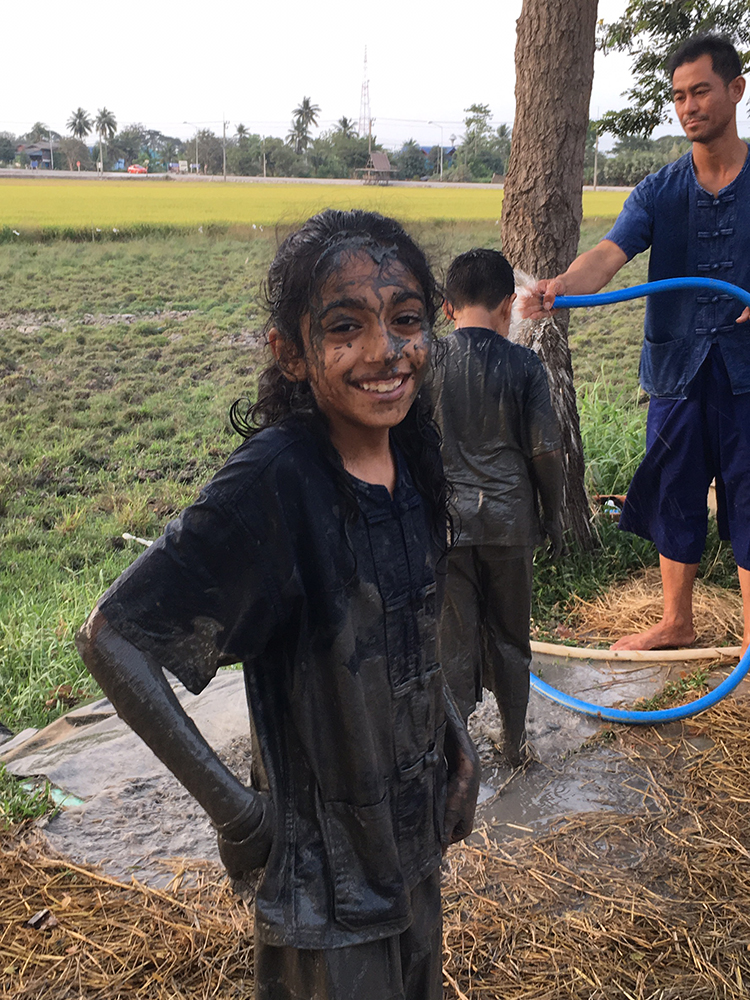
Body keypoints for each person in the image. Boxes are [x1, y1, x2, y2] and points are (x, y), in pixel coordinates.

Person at [76, 209, 480, 1000]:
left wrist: (454, 740)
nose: (384, 352)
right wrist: (241, 818)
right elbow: (112, 637)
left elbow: (405, 628)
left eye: (405, 321)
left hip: (412, 848)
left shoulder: (413, 455)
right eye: (344, 327)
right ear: (290, 353)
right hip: (324, 889)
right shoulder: (275, 481)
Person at [523, 34, 750, 658]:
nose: (688, 106)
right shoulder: (660, 190)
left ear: (735, 89)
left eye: (701, 91)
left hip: (745, 372)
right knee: (675, 485)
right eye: (678, 96)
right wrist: (562, 285)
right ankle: (677, 622)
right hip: (677, 367)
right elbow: (608, 254)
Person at [431, 248, 563, 766]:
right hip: (510, 525)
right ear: (509, 304)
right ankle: (514, 745)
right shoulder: (525, 365)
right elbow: (546, 452)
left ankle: (457, 761)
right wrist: (551, 516)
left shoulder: (429, 363)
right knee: (511, 638)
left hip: (445, 528)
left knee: (452, 645)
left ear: (446, 309)